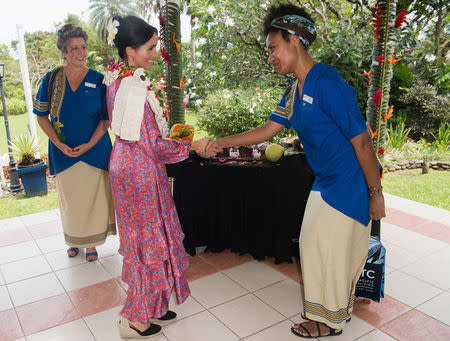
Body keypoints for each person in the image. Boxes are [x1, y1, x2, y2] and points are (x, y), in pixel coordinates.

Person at [206, 4, 386, 338]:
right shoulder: (293, 91)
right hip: (325, 180)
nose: (270, 56)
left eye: (273, 47)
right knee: (315, 244)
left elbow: (362, 142)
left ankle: (328, 321)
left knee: (327, 247)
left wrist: (375, 193)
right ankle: (334, 313)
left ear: (295, 40)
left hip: (349, 181)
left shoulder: (328, 82)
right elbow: (266, 130)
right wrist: (220, 141)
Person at [104, 16, 216, 338]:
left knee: (149, 239)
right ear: (130, 50)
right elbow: (153, 145)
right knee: (147, 244)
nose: (155, 54)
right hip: (139, 171)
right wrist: (191, 144)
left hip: (128, 167)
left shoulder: (118, 79)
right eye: (150, 48)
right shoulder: (133, 88)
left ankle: (153, 304)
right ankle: (136, 318)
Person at [33, 24, 115, 262]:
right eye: (75, 48)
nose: (81, 52)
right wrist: (58, 144)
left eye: (84, 47)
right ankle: (73, 240)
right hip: (64, 151)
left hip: (95, 149)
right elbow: (41, 116)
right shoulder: (51, 80)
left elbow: (106, 119)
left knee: (94, 198)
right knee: (71, 201)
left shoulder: (99, 80)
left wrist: (89, 144)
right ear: (65, 52)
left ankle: (91, 244)